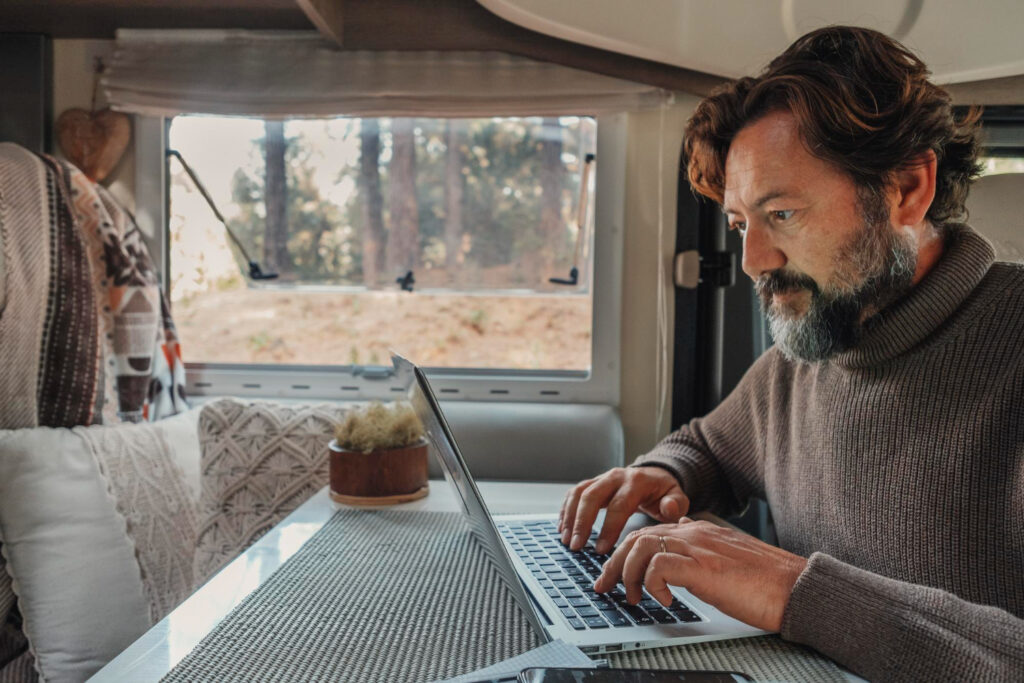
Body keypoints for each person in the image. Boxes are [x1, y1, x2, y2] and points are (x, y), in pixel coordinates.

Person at [559, 25, 1024, 680]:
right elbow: (711, 445)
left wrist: (791, 588)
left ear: (907, 190)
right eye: (742, 224)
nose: (754, 261)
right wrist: (666, 474)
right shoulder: (812, 348)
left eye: (781, 215)